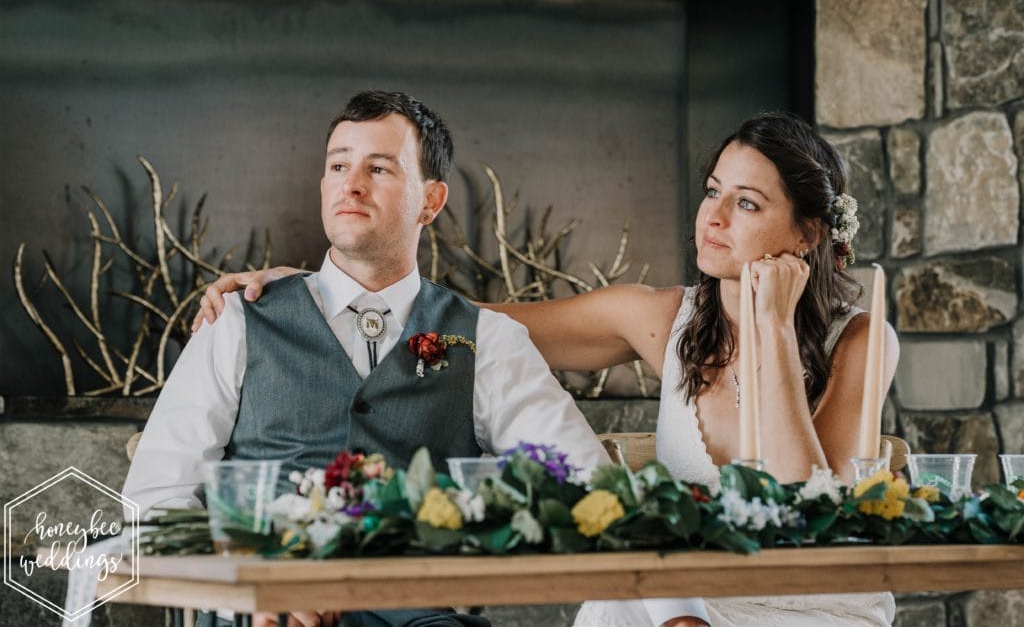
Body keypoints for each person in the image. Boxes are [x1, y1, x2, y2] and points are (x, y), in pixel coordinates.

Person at [196, 112, 900, 626]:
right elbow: (465, 323)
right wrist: (317, 290)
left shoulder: (862, 341)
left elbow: (810, 524)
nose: (713, 217)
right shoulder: (663, 320)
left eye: (746, 204)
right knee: (613, 611)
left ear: (809, 232)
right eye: (713, 191)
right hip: (689, 599)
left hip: (809, 606)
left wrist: (773, 326)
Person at [124, 90, 610, 627]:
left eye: (379, 168)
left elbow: (586, 485)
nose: (351, 184)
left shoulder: (488, 340)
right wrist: (247, 580)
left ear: (430, 201)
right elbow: (154, 500)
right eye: (338, 165)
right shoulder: (237, 320)